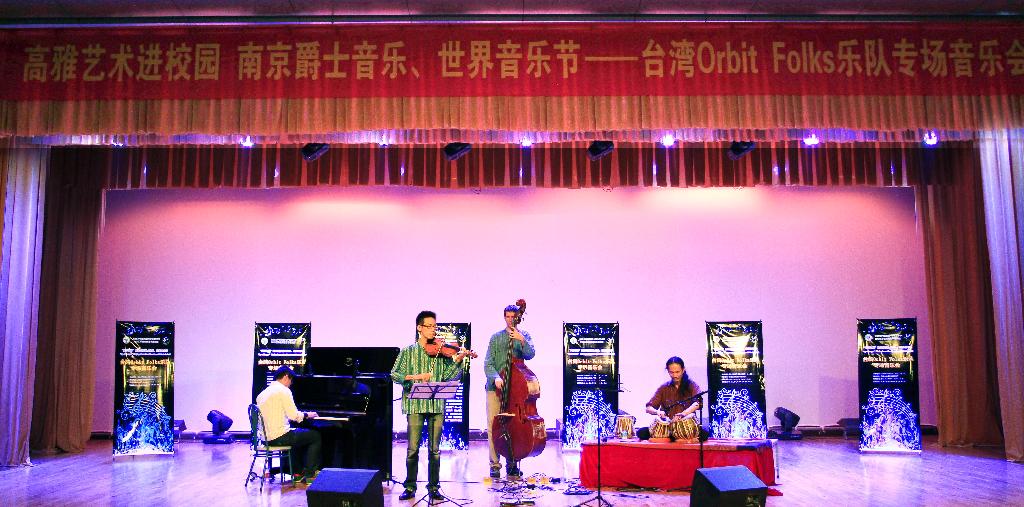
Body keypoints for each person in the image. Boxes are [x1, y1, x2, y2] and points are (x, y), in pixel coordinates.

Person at [391, 310, 470, 501]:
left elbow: (449, 377)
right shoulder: (408, 351)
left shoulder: (440, 352)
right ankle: (410, 486)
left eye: (435, 326)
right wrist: (416, 378)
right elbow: (395, 374)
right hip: (415, 406)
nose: (433, 330)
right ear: (419, 328)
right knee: (413, 449)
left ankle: (434, 487)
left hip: (436, 406)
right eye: (429, 326)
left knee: (435, 451)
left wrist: (458, 360)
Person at [483, 303, 536, 479]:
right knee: (494, 425)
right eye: (508, 316)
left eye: (514, 316)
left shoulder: (524, 335)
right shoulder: (495, 337)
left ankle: (512, 462)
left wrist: (521, 340)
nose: (511, 319)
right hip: (495, 388)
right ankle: (494, 464)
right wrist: (496, 377)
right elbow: (488, 363)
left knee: (513, 426)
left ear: (518, 317)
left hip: (515, 391)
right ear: (504, 317)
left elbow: (530, 354)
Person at [255, 365, 322, 484]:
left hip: (266, 439)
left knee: (296, 435)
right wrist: (308, 414)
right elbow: (293, 415)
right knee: (315, 436)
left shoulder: (262, 394)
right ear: (286, 376)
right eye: (291, 380)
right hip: (279, 437)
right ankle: (310, 474)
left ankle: (297, 473)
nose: (291, 384)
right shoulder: (283, 391)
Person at [637, 356, 702, 441]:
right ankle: (669, 437)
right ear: (668, 371)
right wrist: (658, 412)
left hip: (685, 428)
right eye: (671, 372)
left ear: (683, 370)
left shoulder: (692, 385)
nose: (675, 375)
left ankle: (673, 438)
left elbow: (698, 403)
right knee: (641, 432)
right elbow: (648, 408)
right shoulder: (664, 388)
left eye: (677, 372)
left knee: (704, 433)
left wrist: (683, 414)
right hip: (668, 427)